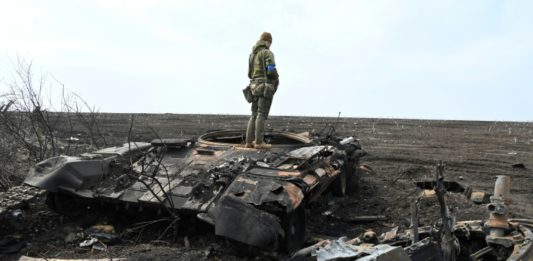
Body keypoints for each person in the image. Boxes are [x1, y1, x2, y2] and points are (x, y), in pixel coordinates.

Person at [245, 32, 279, 149]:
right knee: (261, 114)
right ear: (267, 42)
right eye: (270, 43)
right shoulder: (267, 52)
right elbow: (271, 69)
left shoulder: (252, 55)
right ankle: (259, 142)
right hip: (264, 86)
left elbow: (249, 74)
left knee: (253, 114)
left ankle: (249, 142)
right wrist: (276, 77)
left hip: (253, 86)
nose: (270, 45)